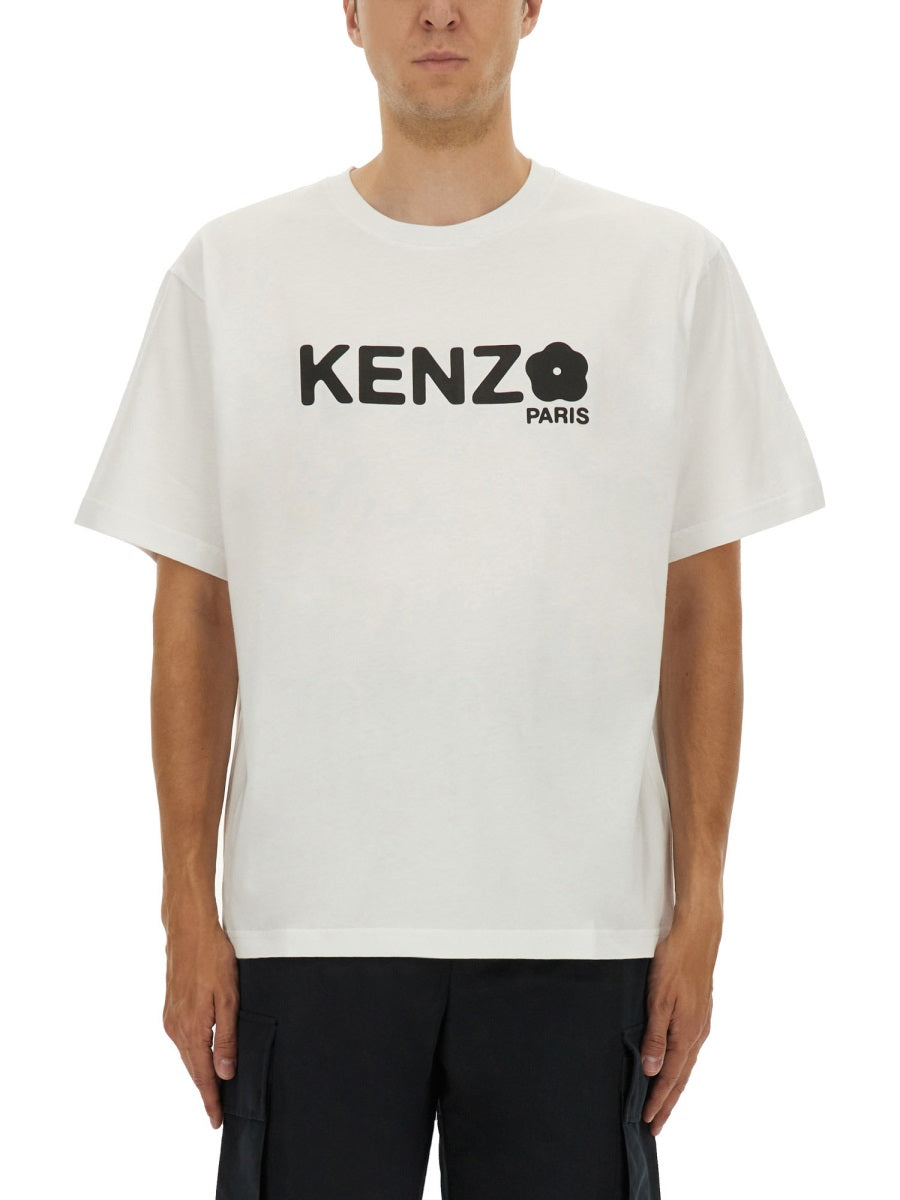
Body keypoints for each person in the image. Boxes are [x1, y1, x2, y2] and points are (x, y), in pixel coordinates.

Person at [73, 2, 826, 1197]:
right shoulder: (233, 271)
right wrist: (184, 907)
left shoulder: (664, 269)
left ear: (531, 8)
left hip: (579, 929)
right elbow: (195, 608)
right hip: (306, 930)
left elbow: (700, 608)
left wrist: (703, 904)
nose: (437, 10)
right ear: (349, 14)